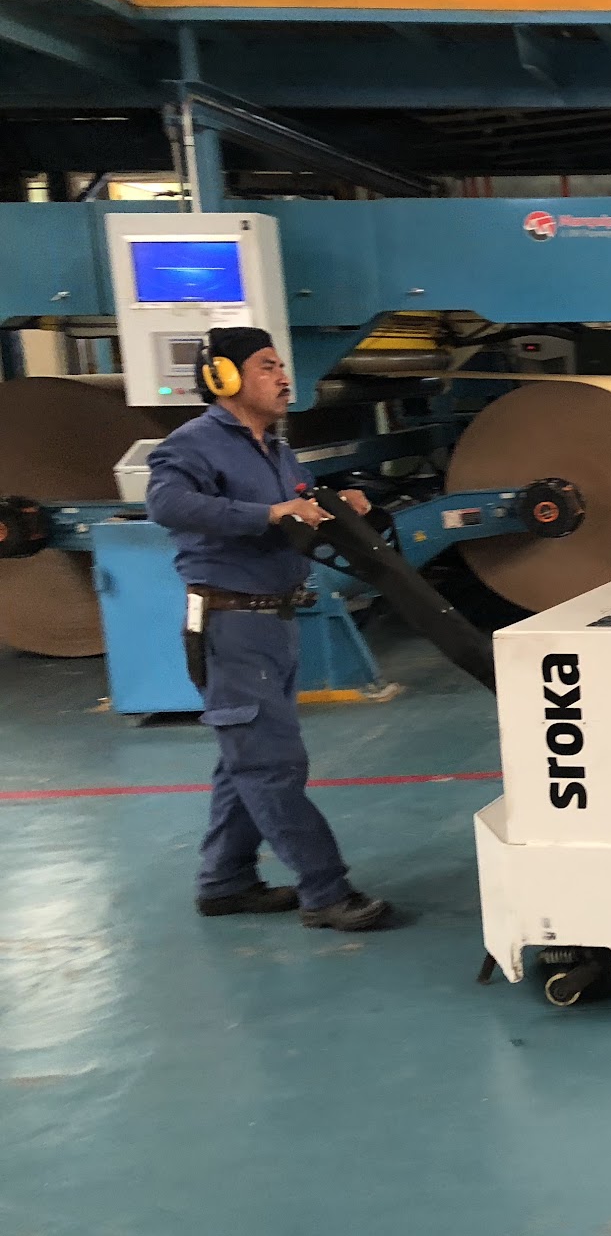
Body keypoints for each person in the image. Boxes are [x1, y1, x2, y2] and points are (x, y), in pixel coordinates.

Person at [145, 326, 393, 932]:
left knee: (247, 759)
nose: (284, 378)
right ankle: (325, 892)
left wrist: (334, 507)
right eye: (266, 366)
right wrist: (269, 512)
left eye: (282, 366)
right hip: (230, 623)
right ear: (224, 377)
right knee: (270, 764)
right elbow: (166, 504)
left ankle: (225, 882)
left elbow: (293, 515)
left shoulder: (276, 449)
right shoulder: (193, 443)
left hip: (274, 620)